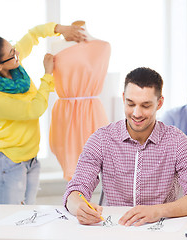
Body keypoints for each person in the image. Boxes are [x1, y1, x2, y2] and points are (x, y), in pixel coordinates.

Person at [64, 67, 187, 226]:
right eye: (131, 103)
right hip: (114, 230)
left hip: (161, 230)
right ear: (123, 98)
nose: (136, 113)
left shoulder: (177, 142)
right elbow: (75, 191)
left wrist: (158, 211)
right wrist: (79, 206)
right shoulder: (101, 139)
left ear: (159, 103)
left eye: (146, 105)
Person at [0, 22, 86, 204]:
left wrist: (61, 29)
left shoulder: (14, 67)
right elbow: (34, 110)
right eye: (12, 53)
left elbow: (33, 35)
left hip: (30, 159)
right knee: (7, 224)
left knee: (26, 220)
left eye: (13, 48)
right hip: (7, 161)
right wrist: (47, 75)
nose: (17, 53)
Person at [49, 20, 110, 181]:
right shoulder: (56, 46)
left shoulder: (103, 47)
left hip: (91, 112)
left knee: (94, 162)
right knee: (71, 168)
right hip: (65, 112)